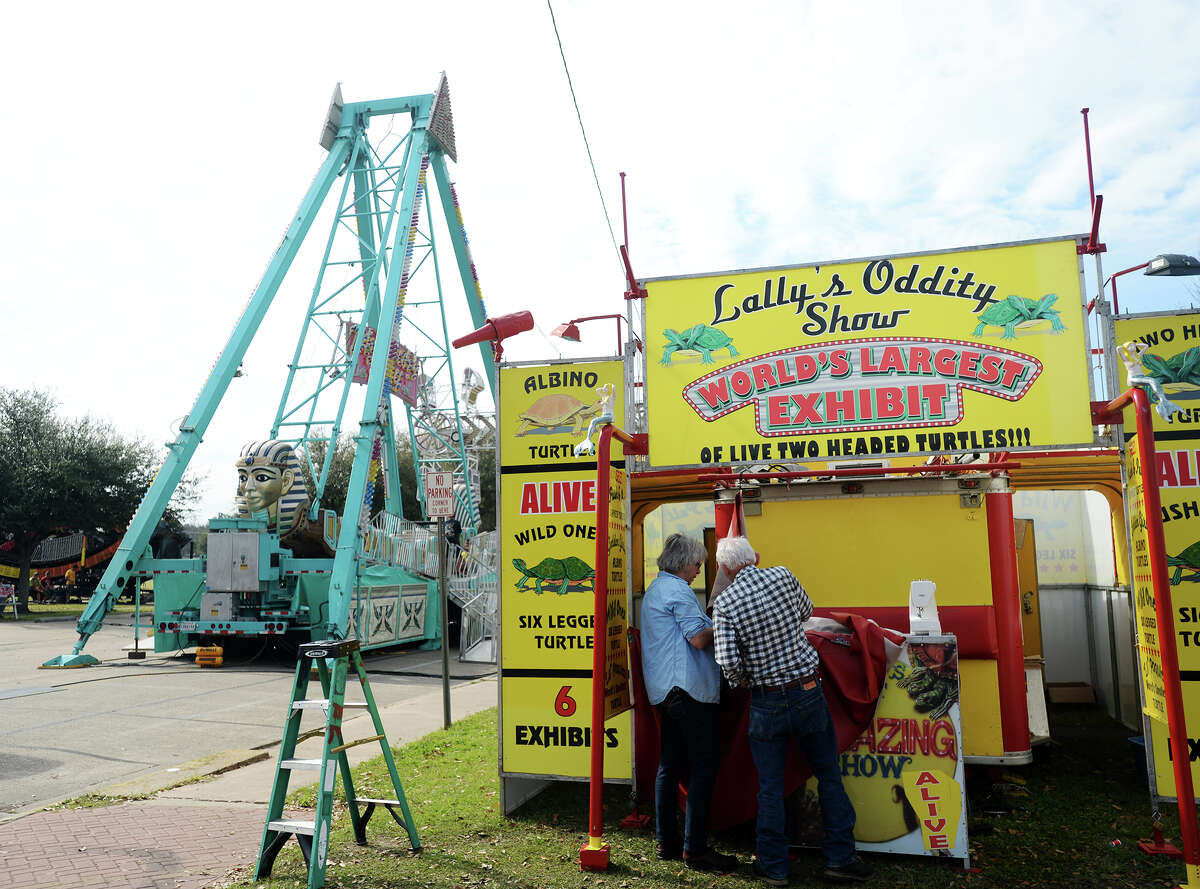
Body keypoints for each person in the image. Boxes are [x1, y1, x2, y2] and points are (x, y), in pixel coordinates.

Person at [712, 536, 872, 885]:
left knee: (769, 786)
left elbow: (727, 662)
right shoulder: (784, 576)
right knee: (828, 774)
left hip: (766, 701)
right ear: (754, 557)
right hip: (808, 691)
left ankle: (774, 866)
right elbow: (805, 612)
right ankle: (841, 858)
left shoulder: (725, 603)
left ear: (724, 568)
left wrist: (747, 679)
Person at [639, 533, 738, 874]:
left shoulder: (657, 588)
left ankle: (666, 842)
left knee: (669, 765)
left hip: (666, 691)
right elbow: (697, 639)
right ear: (682, 562)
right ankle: (694, 849)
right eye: (697, 563)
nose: (699, 570)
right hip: (687, 690)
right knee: (704, 766)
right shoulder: (678, 591)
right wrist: (723, 620)